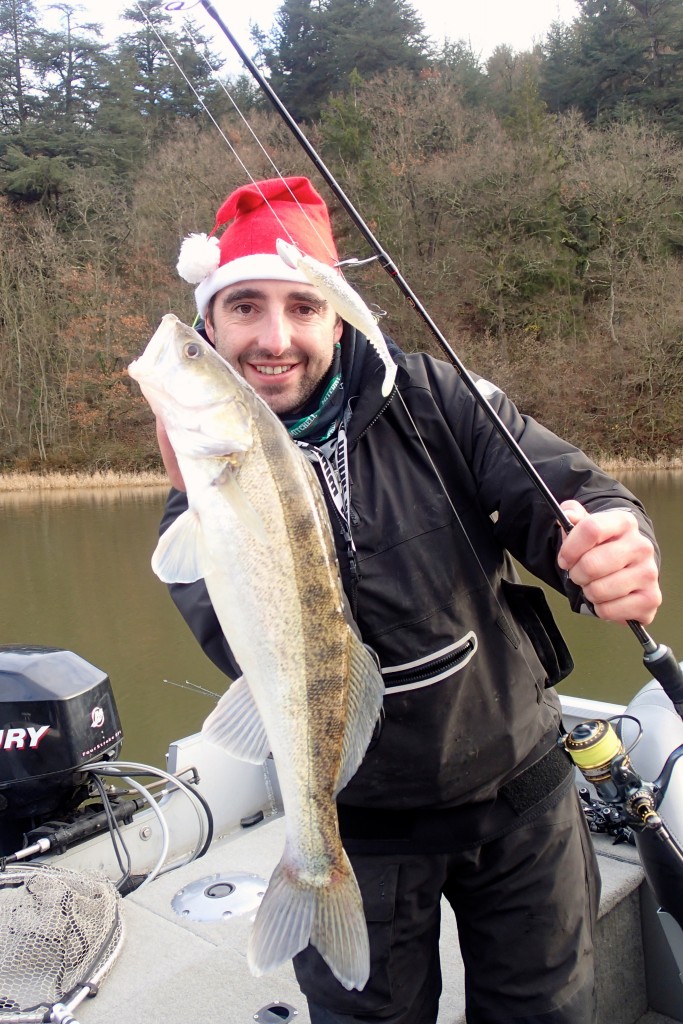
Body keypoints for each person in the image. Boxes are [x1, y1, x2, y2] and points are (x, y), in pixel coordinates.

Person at [157, 176, 662, 1024]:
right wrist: (203, 504)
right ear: (210, 325)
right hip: (362, 830)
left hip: (520, 801)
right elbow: (247, 648)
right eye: (243, 306)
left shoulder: (437, 398)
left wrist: (612, 540)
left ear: (338, 314)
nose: (273, 338)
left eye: (302, 306)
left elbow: (566, 494)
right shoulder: (203, 484)